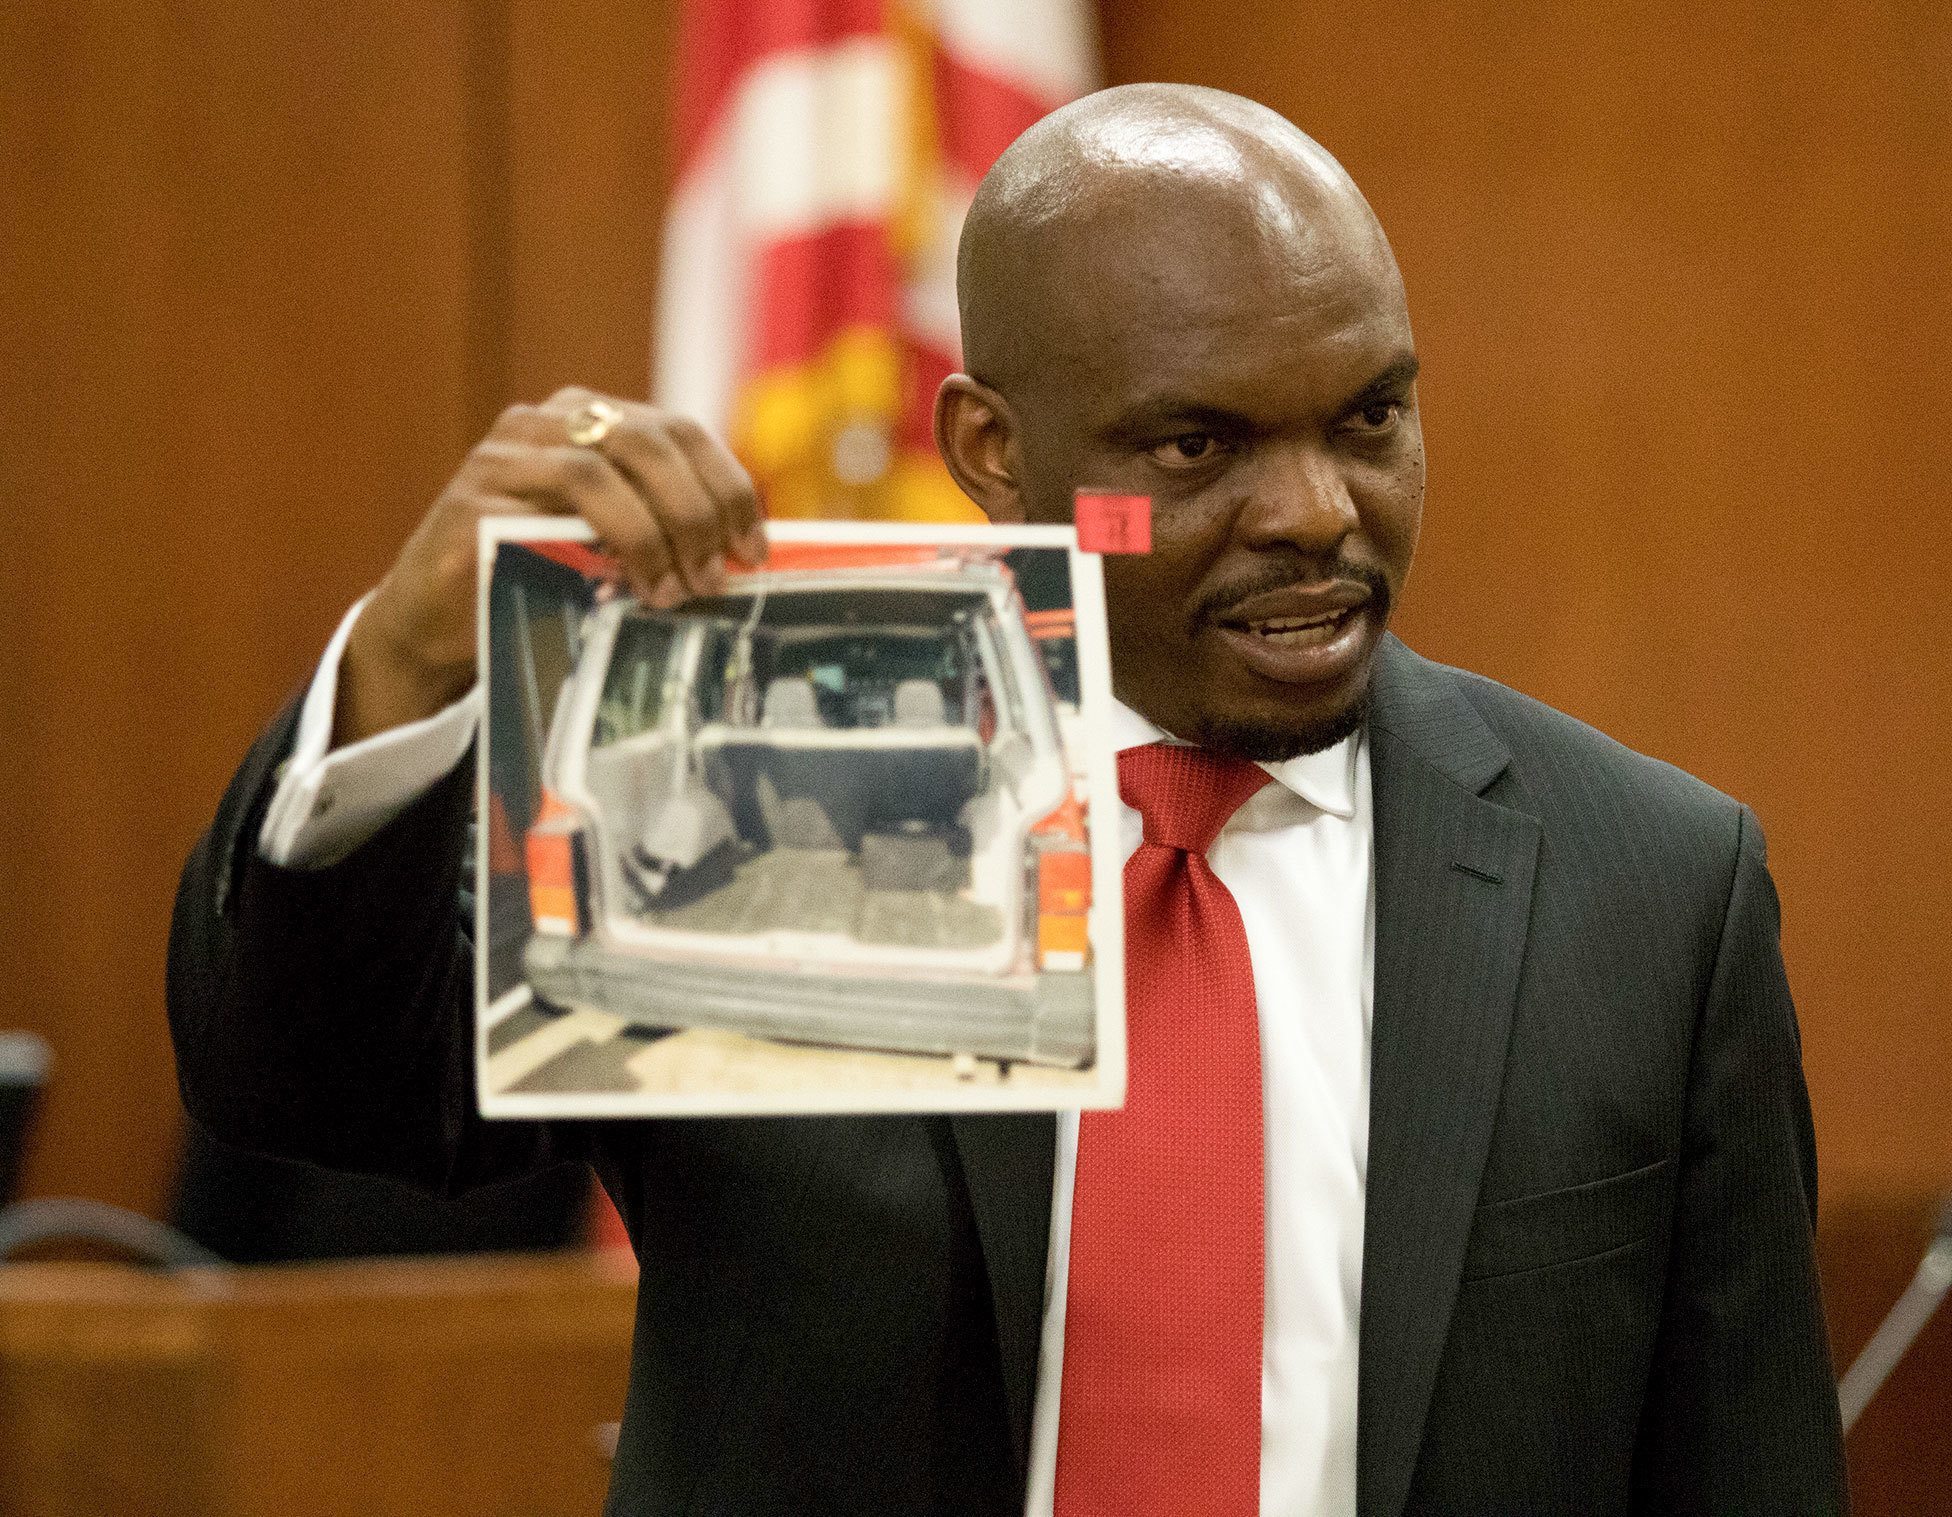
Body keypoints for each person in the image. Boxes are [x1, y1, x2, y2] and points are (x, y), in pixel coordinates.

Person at [168, 84, 1847, 1515]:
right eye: (1198, 447)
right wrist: (403, 665)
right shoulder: (760, 767)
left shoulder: (1652, 889)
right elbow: (311, 1090)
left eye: (1370, 418)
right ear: (990, 447)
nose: (1317, 511)